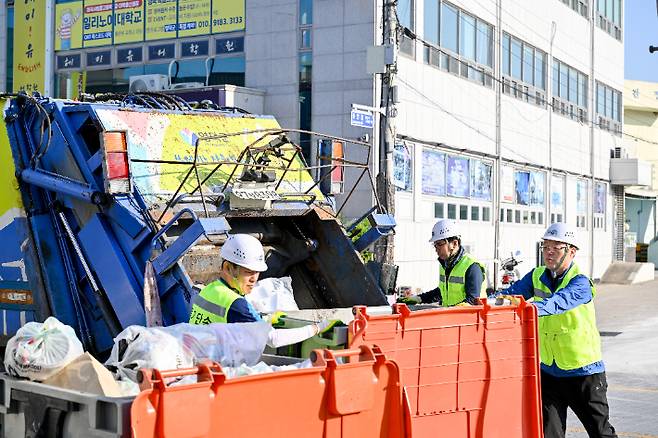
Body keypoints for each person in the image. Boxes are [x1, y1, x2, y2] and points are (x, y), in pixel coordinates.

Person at [507, 222, 617, 438]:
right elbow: (512, 294)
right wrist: (488, 303)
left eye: (555, 247)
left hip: (584, 372)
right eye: (545, 247)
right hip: (550, 371)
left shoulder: (581, 283)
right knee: (550, 433)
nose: (548, 252)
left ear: (571, 251)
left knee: (600, 432)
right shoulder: (536, 276)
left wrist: (527, 308)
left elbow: (558, 302)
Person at [189, 234, 332, 347]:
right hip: (216, 369)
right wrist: (317, 328)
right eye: (248, 272)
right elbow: (273, 339)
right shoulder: (235, 303)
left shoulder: (209, 290)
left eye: (256, 272)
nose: (254, 279)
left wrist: (265, 319)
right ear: (227, 268)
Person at [398, 219, 486, 306]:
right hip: (451, 317)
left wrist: (449, 312)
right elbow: (442, 292)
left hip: (470, 319)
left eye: (439, 244)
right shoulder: (445, 265)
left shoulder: (472, 267)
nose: (436, 249)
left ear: (454, 244)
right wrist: (419, 298)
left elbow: (472, 301)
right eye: (435, 245)